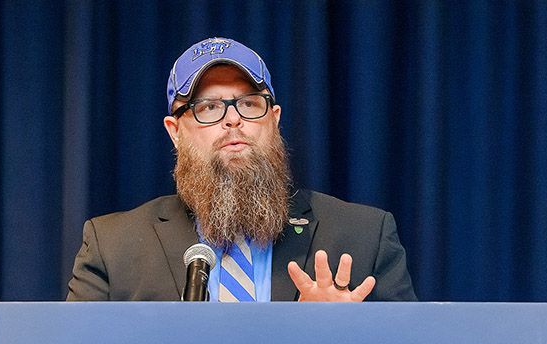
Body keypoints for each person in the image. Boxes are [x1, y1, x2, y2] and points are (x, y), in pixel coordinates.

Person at [66, 37, 416, 302]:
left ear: (274, 121)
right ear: (175, 132)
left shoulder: (365, 237)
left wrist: (345, 337)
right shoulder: (113, 247)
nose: (233, 119)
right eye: (208, 107)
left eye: (249, 103)